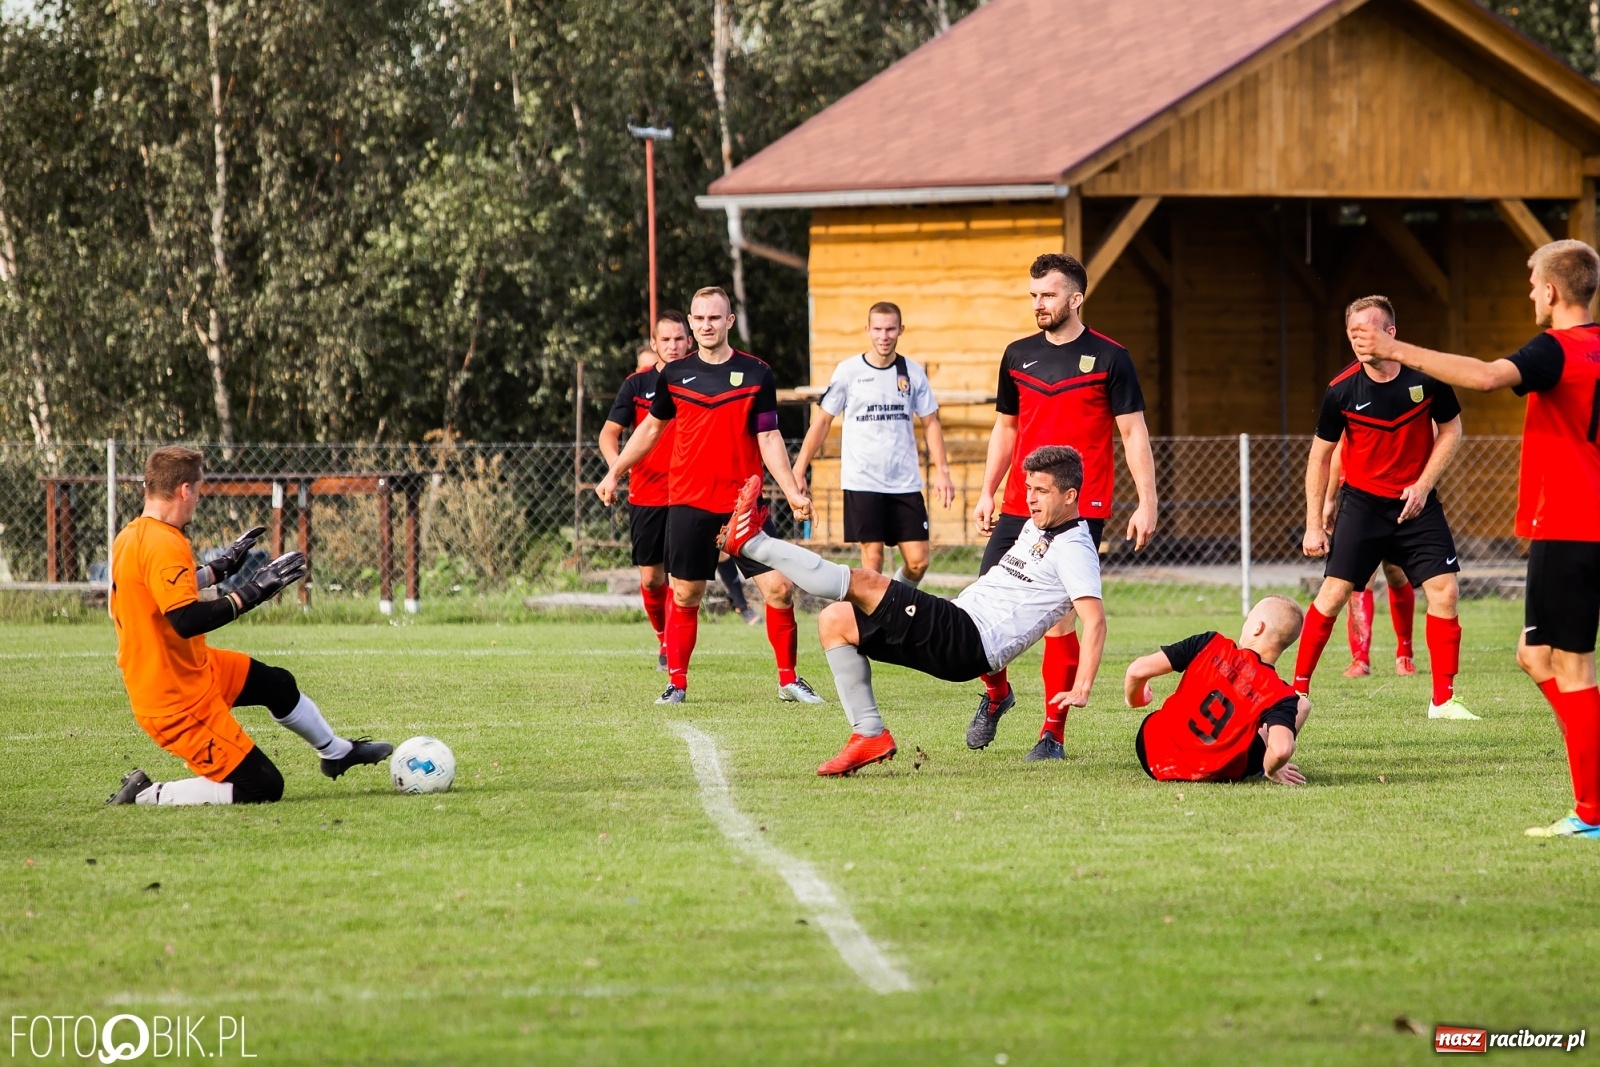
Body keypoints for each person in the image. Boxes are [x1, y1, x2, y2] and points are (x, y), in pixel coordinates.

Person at [1349, 240, 1600, 839]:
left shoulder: (1557, 349)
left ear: (1553, 291)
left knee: (1573, 666)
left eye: (1534, 283)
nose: (1531, 293)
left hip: (1572, 523)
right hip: (1572, 525)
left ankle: (1590, 812)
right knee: (1533, 656)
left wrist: (1394, 348)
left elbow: (1487, 377)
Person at [720, 445, 1104, 776]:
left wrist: (1083, 686)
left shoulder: (1075, 549)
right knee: (835, 621)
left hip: (969, 639)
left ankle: (754, 544)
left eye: (1042, 491)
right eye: (1029, 489)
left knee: (866, 581)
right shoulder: (1039, 526)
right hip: (960, 625)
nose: (1031, 499)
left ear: (1070, 496)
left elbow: (1095, 621)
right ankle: (868, 734)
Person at [105, 446, 392, 806]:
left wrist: (219, 568)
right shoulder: (164, 542)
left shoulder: (133, 535)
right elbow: (184, 620)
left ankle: (336, 753)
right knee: (263, 786)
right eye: (198, 488)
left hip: (188, 672)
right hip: (175, 700)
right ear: (184, 490)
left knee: (275, 683)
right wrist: (252, 592)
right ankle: (148, 795)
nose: (198, 497)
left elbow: (161, 590)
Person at [968, 253, 1158, 761]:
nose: (1039, 304)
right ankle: (996, 693)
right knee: (979, 609)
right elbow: (1005, 428)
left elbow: (1132, 431)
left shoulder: (1111, 358)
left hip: (1079, 507)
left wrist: (1147, 501)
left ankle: (1053, 732)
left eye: (1048, 295)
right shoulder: (1016, 355)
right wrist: (989, 490)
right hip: (1018, 503)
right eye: (1033, 296)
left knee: (1060, 618)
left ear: (1076, 298)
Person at [596, 286, 822, 706]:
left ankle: (789, 680)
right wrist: (615, 472)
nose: (705, 325)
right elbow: (649, 430)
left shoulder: (757, 373)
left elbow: (769, 436)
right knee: (685, 594)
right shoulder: (674, 374)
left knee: (779, 589)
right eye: (698, 318)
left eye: (714, 318)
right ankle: (676, 684)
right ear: (692, 322)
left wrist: (792, 490)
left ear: (729, 321)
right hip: (688, 503)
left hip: (743, 506)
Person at [1298, 295, 1472, 720]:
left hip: (1418, 503)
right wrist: (1313, 524)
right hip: (1363, 504)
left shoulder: (1425, 378)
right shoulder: (1340, 390)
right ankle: (1295, 690)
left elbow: (1452, 429)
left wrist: (1424, 484)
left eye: (1368, 331)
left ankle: (1443, 702)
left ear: (1390, 333)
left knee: (1445, 592)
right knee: (1334, 594)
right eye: (1353, 333)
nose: (1359, 340)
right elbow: (1320, 456)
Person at [792, 301, 955, 585]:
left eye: (890, 329)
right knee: (873, 558)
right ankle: (876, 623)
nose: (884, 336)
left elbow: (931, 422)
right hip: (862, 480)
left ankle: (893, 601)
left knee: (918, 561)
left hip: (904, 481)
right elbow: (822, 422)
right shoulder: (848, 371)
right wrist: (799, 468)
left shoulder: (912, 372)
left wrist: (942, 470)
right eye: (878, 329)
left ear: (900, 330)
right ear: (867, 329)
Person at [1127, 596, 1312, 785]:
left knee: (1162, 719)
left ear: (1258, 627)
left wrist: (1136, 700)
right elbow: (1281, 750)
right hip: (1216, 773)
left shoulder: (1210, 644)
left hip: (1153, 755)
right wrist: (1272, 769)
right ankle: (1259, 766)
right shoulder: (1280, 694)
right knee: (1302, 704)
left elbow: (1136, 671)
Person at [600, 312, 693, 670]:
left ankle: (671, 644)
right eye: (665, 340)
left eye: (678, 339)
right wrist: (616, 469)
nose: (672, 345)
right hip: (646, 493)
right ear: (654, 344)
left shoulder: (700, 381)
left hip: (688, 493)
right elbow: (609, 435)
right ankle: (662, 637)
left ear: (689, 341)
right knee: (651, 577)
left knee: (678, 576)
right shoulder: (637, 385)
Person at [1325, 436, 1418, 678]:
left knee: (1396, 572)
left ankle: (1405, 653)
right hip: (1357, 497)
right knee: (1359, 577)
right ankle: (1360, 659)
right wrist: (1329, 498)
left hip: (1396, 494)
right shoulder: (1351, 402)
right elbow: (1337, 452)